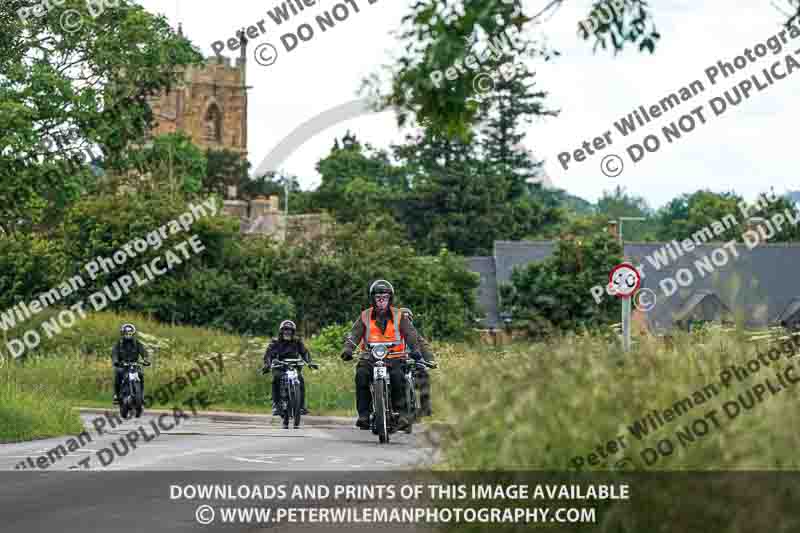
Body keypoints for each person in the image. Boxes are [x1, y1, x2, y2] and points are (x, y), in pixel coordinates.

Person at [340, 280, 435, 430]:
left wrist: (416, 350)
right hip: (370, 358)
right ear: (373, 299)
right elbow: (354, 334)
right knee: (361, 375)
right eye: (378, 297)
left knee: (399, 377)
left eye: (385, 297)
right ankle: (364, 415)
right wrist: (348, 349)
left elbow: (410, 333)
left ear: (390, 298)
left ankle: (402, 414)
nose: (382, 300)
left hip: (395, 358)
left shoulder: (399, 315)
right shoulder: (365, 315)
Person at [263, 320, 318, 416]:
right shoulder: (275, 342)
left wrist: (310, 362)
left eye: (290, 330)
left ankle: (301, 406)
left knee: (300, 380)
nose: (287, 332)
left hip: (294, 367)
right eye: (285, 330)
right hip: (279, 367)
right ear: (281, 331)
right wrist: (267, 364)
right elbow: (268, 355)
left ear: (293, 332)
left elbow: (305, 352)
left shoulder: (297, 342)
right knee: (276, 379)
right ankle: (276, 405)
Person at [112, 323, 149, 404]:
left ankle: (142, 395)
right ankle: (116, 395)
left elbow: (143, 351)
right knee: (118, 373)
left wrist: (146, 359)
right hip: (122, 365)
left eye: (130, 333)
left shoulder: (137, 343)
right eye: (126, 333)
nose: (128, 335)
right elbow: (114, 352)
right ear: (122, 333)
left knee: (141, 374)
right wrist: (115, 361)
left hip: (134, 365)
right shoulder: (119, 343)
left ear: (133, 333)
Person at [405, 309, 433, 418]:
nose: (406, 322)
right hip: (397, 363)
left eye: (408, 319)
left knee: (424, 375)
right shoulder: (393, 333)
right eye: (403, 319)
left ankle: (425, 408)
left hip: (413, 364)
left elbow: (423, 346)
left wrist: (429, 359)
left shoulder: (414, 333)